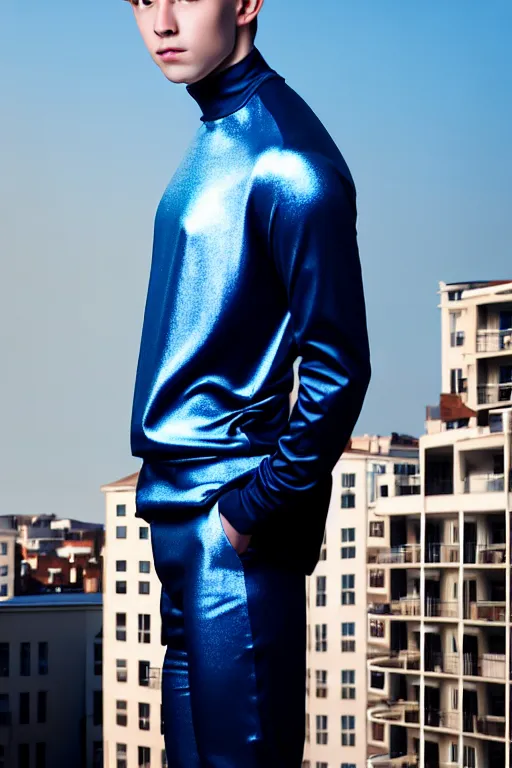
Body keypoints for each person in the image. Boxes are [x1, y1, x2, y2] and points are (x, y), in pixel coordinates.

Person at [126, 0, 371, 765]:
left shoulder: (287, 160)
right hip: (182, 525)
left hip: (232, 533)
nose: (161, 21)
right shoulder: (214, 140)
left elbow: (339, 366)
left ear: (247, 2)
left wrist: (248, 513)